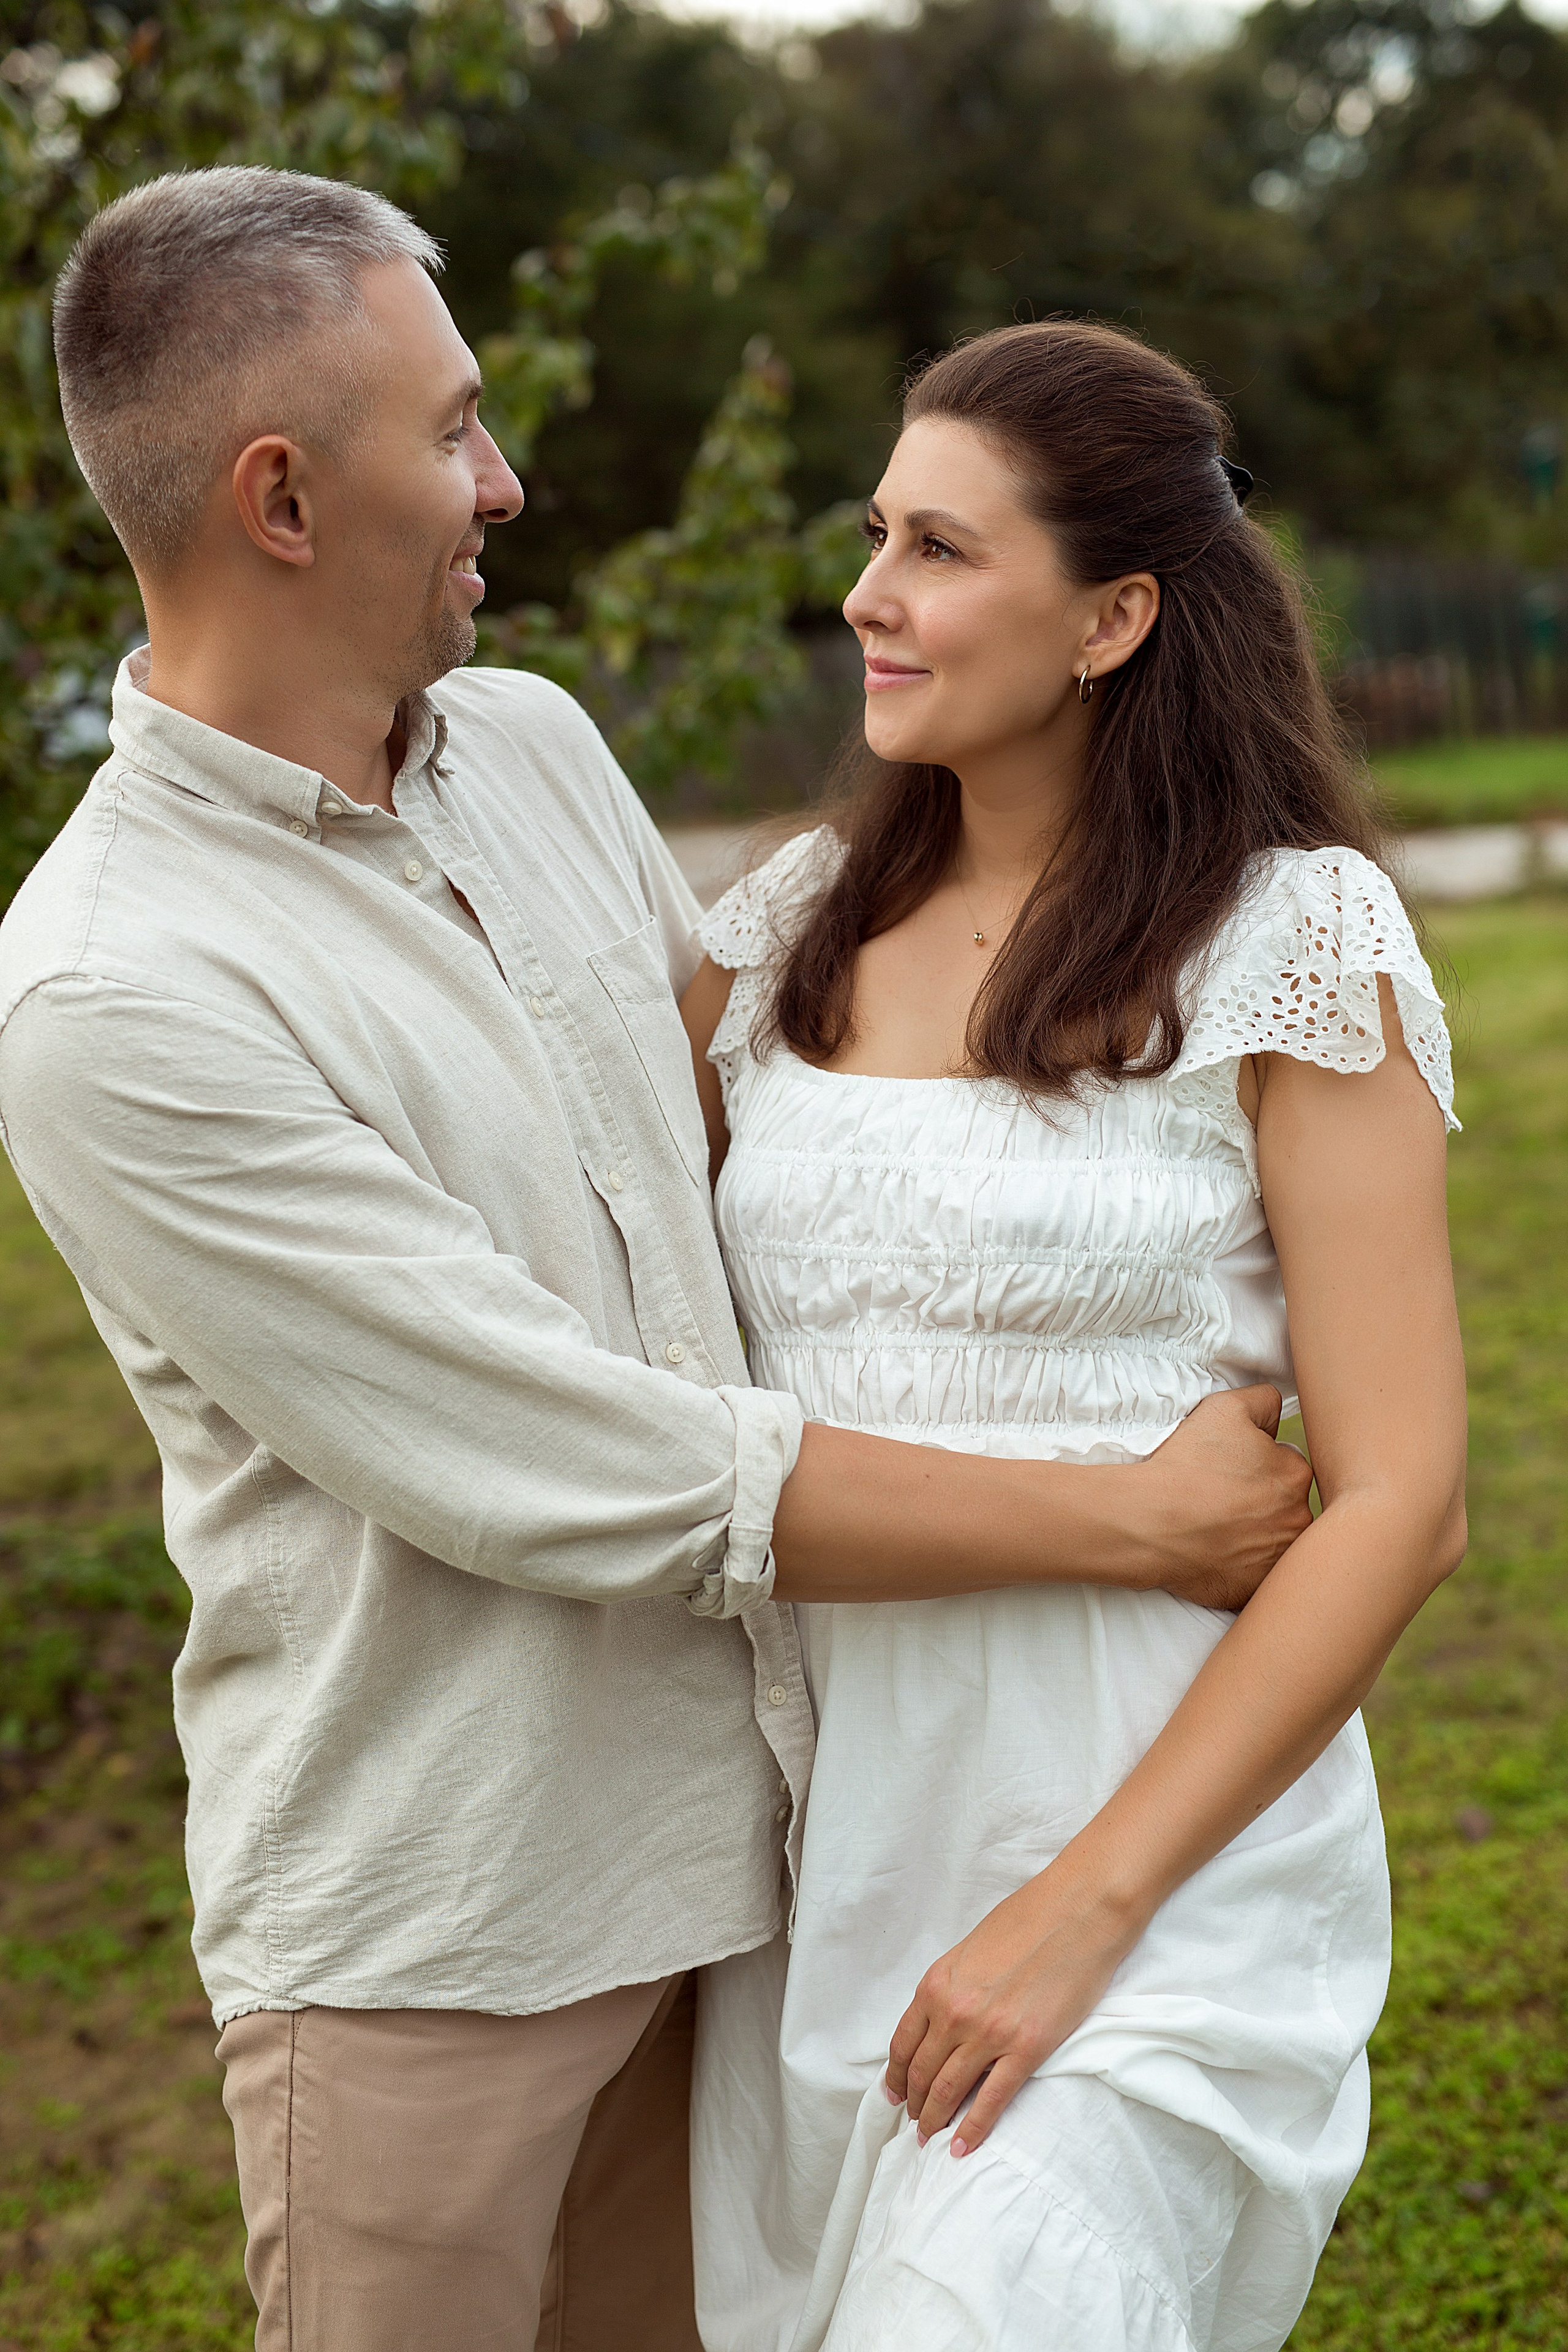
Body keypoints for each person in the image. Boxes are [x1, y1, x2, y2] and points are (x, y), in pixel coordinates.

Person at [0, 178, 1310, 2352]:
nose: (506, 481)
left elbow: (762, 1157)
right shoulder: (116, 995)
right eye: (457, 428)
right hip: (441, 1938)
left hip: (756, 1881)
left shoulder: (530, 751)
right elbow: (573, 1459)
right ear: (284, 498)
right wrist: (1129, 1517)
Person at [680, 320, 1468, 2352]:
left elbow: (1399, 1501)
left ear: (1115, 613)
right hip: (830, 1858)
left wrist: (1082, 1912)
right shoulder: (781, 940)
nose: (867, 593)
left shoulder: (1292, 944)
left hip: (1158, 1882)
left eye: (938, 548)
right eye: (877, 536)